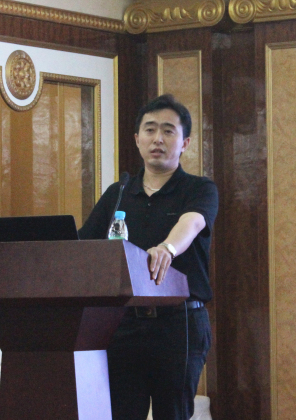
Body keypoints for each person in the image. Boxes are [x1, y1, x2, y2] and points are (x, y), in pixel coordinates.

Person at [79, 94, 218, 420]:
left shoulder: (199, 189)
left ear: (185, 143)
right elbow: (84, 246)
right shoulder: (119, 193)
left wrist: (167, 248)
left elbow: (192, 223)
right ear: (137, 139)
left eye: (168, 131)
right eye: (150, 129)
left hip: (179, 325)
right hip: (123, 325)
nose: (158, 139)